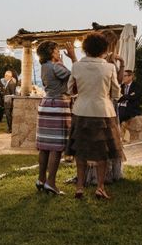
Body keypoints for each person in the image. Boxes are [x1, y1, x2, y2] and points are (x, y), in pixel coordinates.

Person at [66, 33, 124, 200]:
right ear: (103, 50)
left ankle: (79, 188)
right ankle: (100, 187)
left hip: (81, 111)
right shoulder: (109, 67)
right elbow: (116, 93)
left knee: (81, 152)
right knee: (102, 153)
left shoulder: (77, 66)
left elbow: (70, 90)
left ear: (86, 49)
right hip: (103, 112)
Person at [35, 41, 77, 195]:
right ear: (51, 51)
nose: (58, 50)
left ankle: (41, 179)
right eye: (56, 48)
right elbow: (75, 75)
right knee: (56, 147)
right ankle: (51, 183)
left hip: (46, 105)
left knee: (45, 146)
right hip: (58, 105)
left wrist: (61, 62)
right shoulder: (56, 66)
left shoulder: (45, 66)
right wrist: (72, 59)